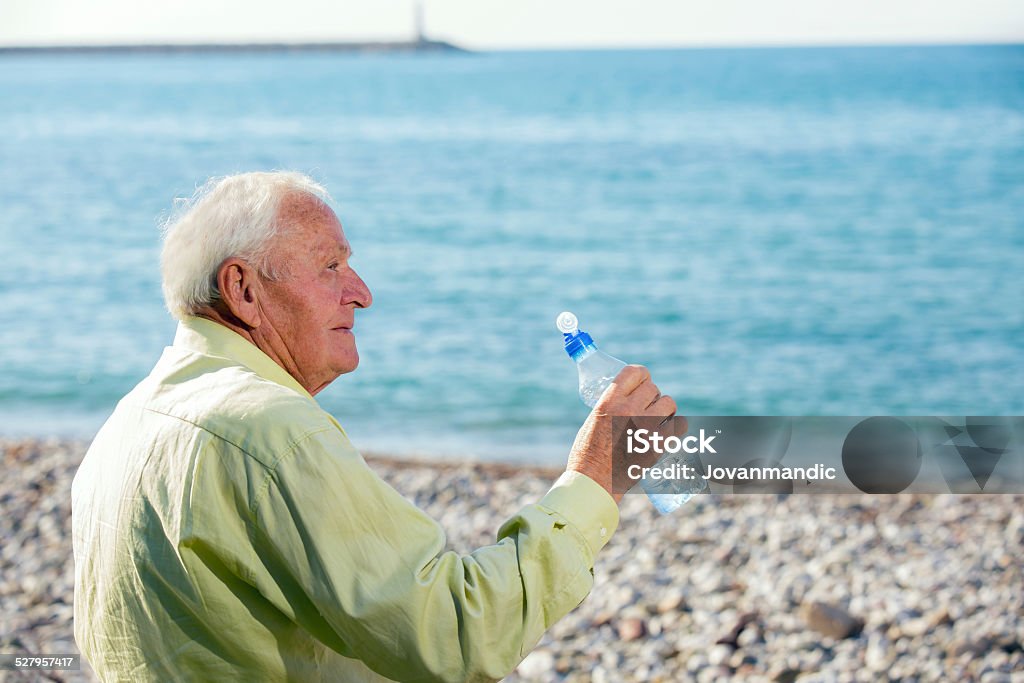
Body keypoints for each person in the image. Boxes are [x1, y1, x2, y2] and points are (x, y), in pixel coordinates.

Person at [71, 171, 679, 682]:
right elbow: (456, 634)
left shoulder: (129, 422)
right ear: (243, 290)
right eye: (330, 266)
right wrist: (594, 475)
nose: (361, 294)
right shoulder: (270, 431)